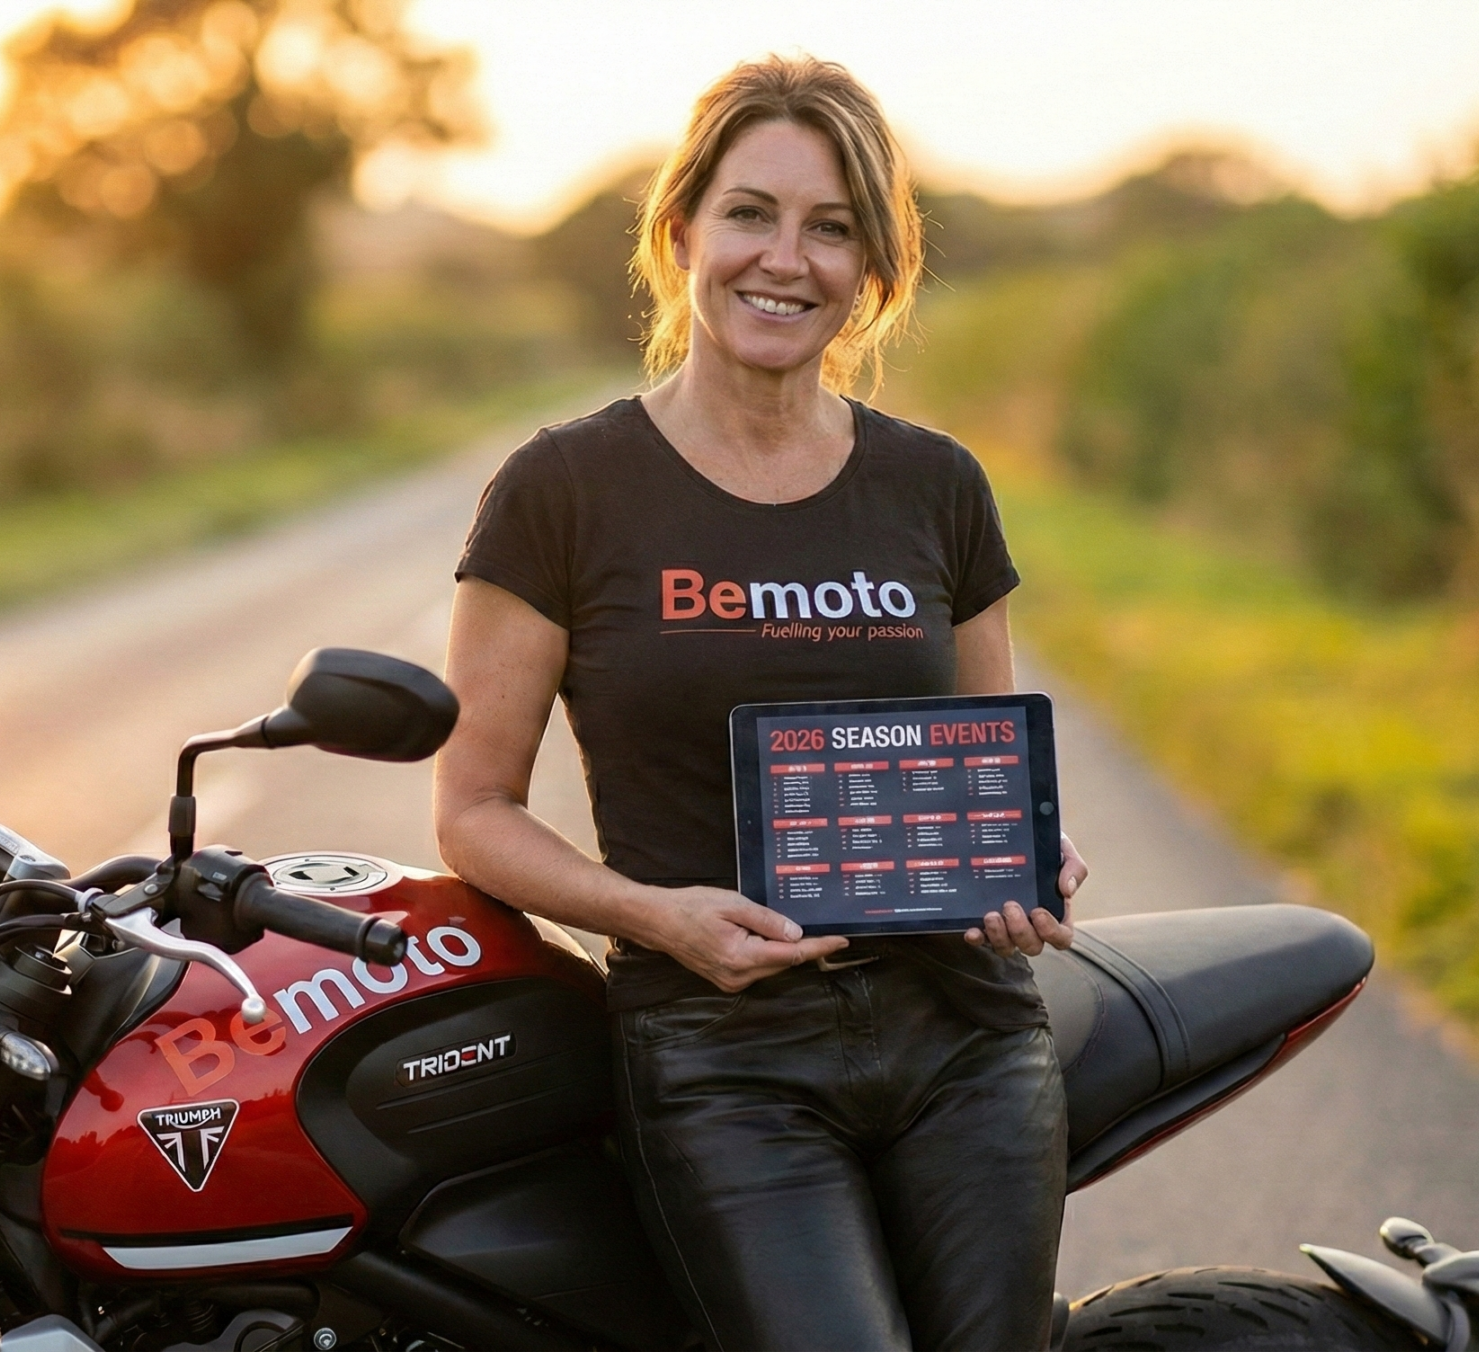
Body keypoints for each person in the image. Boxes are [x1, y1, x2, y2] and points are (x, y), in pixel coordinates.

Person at [432, 55, 1090, 1352]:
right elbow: (473, 810)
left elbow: (984, 771)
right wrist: (655, 917)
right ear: (681, 231)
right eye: (750, 213)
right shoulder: (564, 490)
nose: (785, 259)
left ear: (872, 268)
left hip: (965, 1039)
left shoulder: (938, 486)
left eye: (831, 227)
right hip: (720, 1055)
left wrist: (1026, 860)